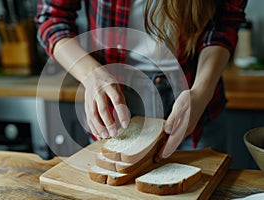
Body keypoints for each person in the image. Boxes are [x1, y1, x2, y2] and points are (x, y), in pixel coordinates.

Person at [35, 0, 247, 160]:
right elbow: (52, 18)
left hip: (196, 102)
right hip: (115, 101)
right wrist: (92, 75)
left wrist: (202, 91)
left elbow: (225, 21)